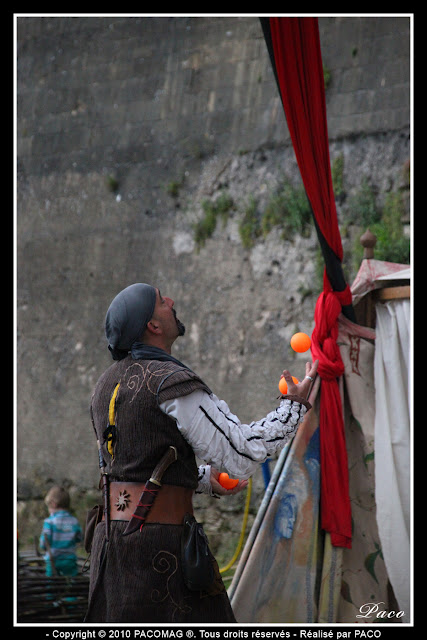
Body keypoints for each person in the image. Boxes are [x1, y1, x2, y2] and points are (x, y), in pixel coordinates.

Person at [85, 283, 318, 623]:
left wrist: (203, 480)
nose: (171, 302)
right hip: (157, 548)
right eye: (162, 301)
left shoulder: (104, 385)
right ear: (153, 326)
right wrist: (293, 407)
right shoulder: (170, 381)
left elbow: (131, 471)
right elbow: (240, 453)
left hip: (110, 546)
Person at [40, 486, 83, 577]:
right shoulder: (74, 521)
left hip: (53, 559)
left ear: (53, 504)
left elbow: (44, 542)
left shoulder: (49, 522)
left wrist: (43, 547)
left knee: (51, 584)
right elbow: (79, 538)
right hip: (69, 559)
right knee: (70, 582)